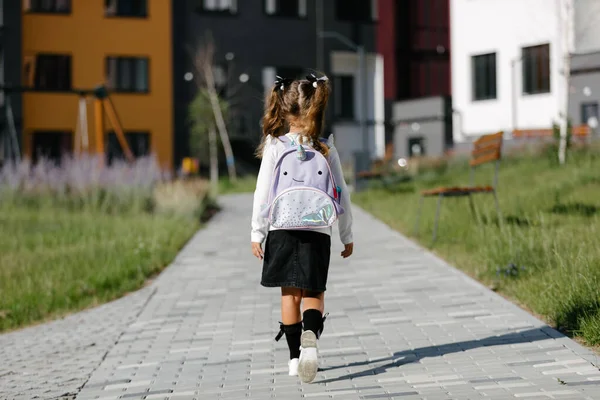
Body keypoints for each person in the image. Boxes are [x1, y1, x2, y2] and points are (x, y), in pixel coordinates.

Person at [250, 73, 354, 383]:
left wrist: (257, 232)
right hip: (318, 230)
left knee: (289, 295)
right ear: (316, 107)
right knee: (314, 292)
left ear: (283, 107)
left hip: (282, 228)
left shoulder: (274, 146)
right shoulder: (325, 148)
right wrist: (346, 235)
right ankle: (311, 335)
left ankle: (295, 359)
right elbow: (342, 194)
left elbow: (262, 192)